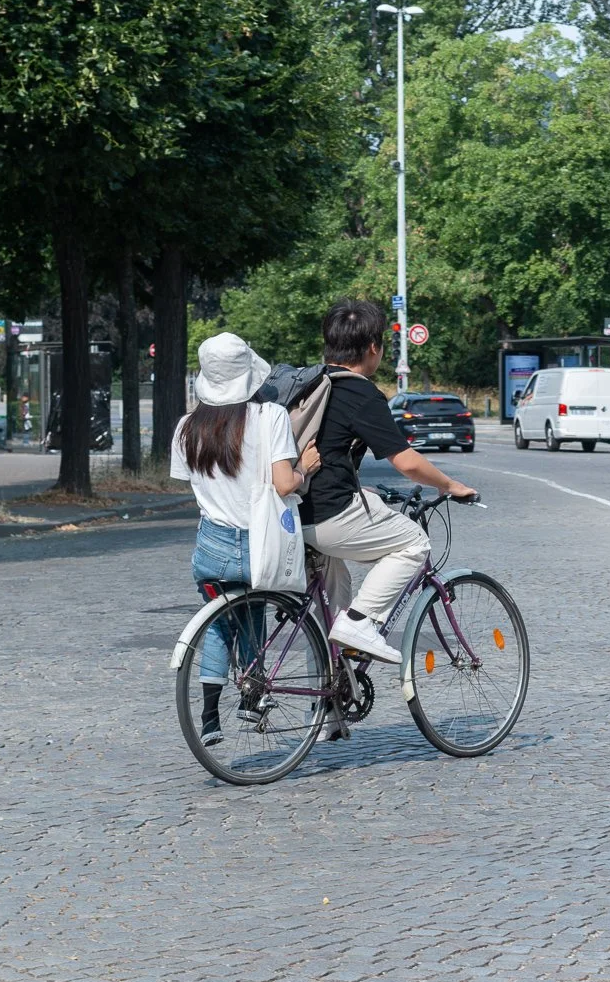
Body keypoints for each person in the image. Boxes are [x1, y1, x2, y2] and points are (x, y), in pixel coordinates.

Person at [302, 299, 476, 665]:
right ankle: (362, 623)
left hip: (291, 512)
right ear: (372, 348)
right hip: (329, 515)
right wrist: (450, 484)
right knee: (414, 544)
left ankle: (326, 716)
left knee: (330, 610)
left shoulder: (310, 383)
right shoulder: (361, 393)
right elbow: (406, 462)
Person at [170, 333, 322, 748]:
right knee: (254, 611)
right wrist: (305, 467)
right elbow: (284, 483)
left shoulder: (186, 427)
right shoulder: (269, 416)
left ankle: (209, 717)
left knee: (221, 625)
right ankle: (252, 695)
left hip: (212, 545)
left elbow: (195, 487)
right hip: (260, 543)